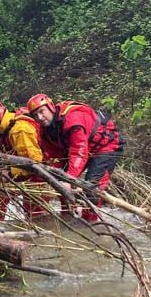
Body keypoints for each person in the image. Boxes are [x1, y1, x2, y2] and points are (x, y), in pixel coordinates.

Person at [25, 93, 123, 223]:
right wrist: (56, 179)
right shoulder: (46, 130)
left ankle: (91, 222)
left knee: (91, 186)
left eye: (42, 111)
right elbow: (54, 157)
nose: (40, 117)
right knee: (59, 181)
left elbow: (79, 152)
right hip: (82, 148)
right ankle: (68, 217)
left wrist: (68, 179)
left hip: (105, 146)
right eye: (35, 115)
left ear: (50, 107)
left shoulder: (72, 119)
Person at [0, 98, 51, 220]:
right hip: (27, 171)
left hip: (39, 173)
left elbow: (33, 163)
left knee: (34, 213)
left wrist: (9, 172)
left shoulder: (19, 130)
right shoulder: (9, 125)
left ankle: (41, 234)